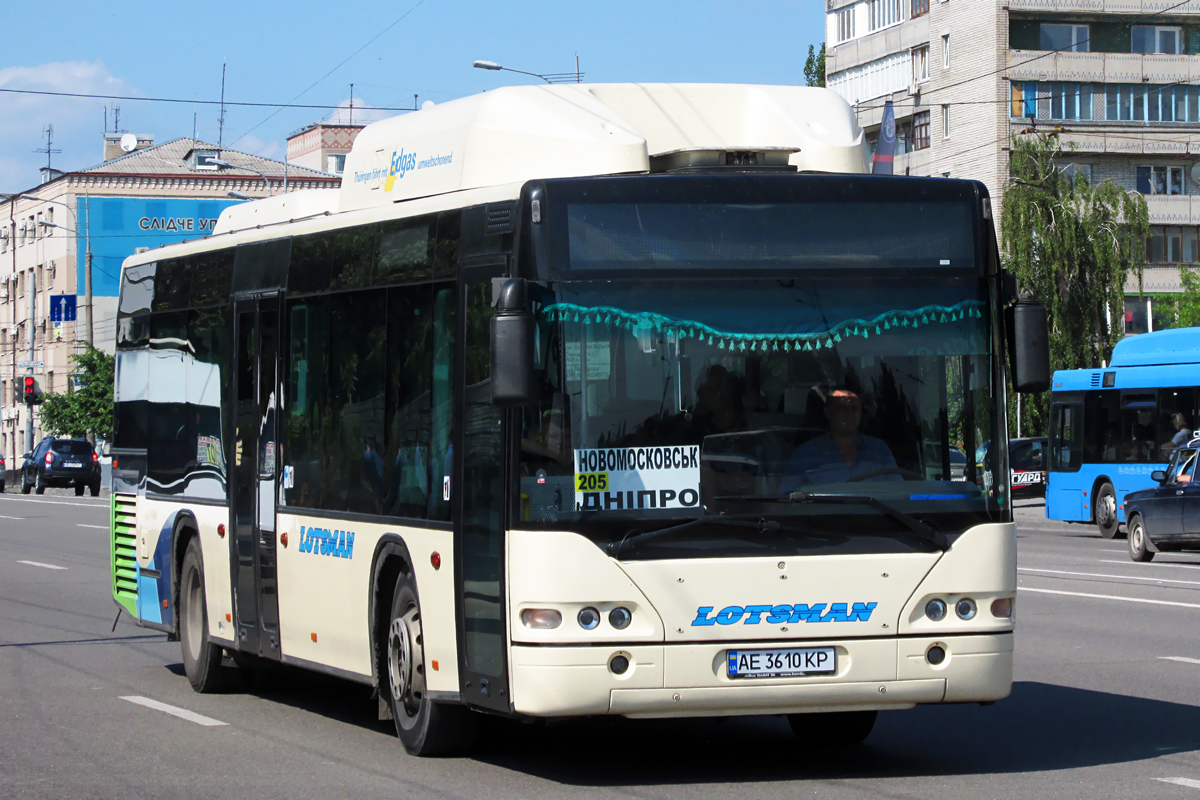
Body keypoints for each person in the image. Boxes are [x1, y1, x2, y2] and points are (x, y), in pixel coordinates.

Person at [779, 387, 897, 493]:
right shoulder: (804, 455)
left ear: (860, 413)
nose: (849, 413)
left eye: (854, 408)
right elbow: (785, 504)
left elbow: (901, 495)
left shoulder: (880, 450)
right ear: (827, 412)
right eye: (842, 408)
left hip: (880, 517)